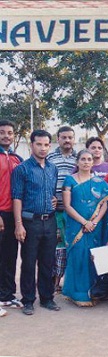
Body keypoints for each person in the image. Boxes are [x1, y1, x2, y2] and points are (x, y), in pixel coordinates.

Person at [12, 129, 59, 315]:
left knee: (48, 262)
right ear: (31, 144)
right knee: (29, 262)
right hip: (30, 222)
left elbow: (52, 193)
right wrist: (18, 224)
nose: (43, 148)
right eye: (39, 144)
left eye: (46, 144)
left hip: (50, 221)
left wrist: (54, 201)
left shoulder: (52, 168)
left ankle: (47, 298)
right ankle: (28, 299)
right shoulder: (22, 169)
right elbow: (17, 197)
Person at [62, 149, 108, 307]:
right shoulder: (69, 180)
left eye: (89, 159)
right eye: (83, 159)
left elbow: (106, 202)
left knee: (92, 258)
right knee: (77, 256)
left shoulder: (99, 182)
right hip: (76, 226)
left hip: (94, 228)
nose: (86, 162)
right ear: (77, 161)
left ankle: (93, 291)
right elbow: (67, 206)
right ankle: (77, 293)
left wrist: (95, 221)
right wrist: (84, 222)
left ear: (93, 162)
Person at [46, 126, 77, 294]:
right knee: (54, 247)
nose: (67, 140)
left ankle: (69, 282)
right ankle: (52, 282)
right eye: (63, 137)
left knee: (71, 245)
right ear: (58, 139)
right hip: (54, 211)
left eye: (70, 137)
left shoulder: (79, 158)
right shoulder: (50, 157)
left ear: (74, 139)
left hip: (73, 212)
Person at [0, 120, 23, 316]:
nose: (6, 135)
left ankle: (6, 295)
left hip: (12, 214)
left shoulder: (17, 158)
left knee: (10, 255)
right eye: (2, 132)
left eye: (9, 132)